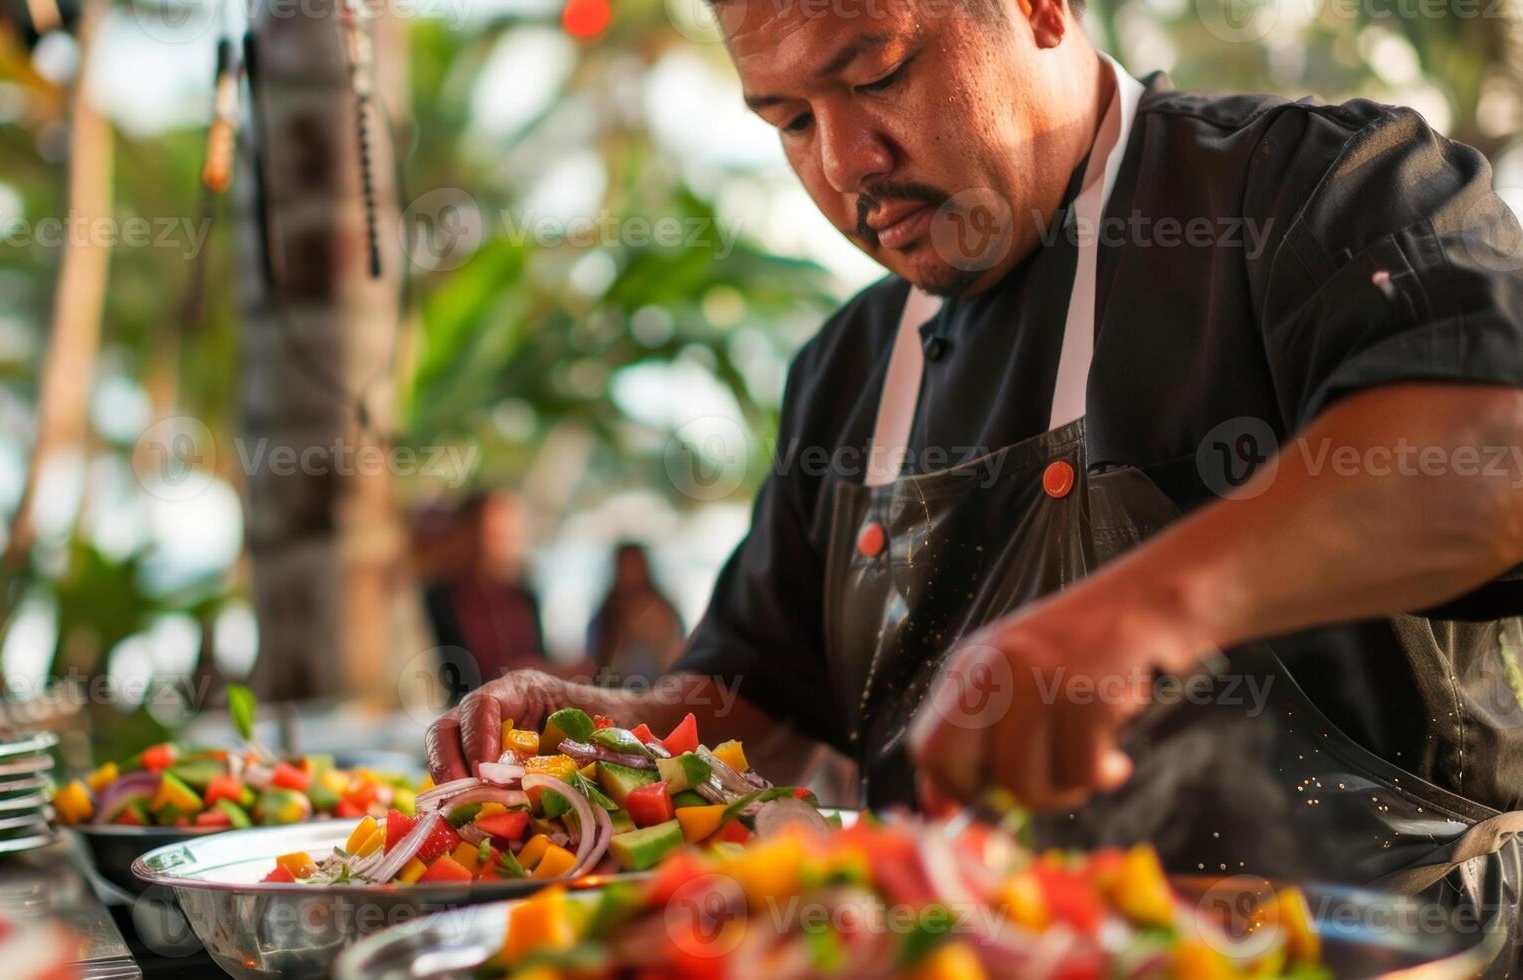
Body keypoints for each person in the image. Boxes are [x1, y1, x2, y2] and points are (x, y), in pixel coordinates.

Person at [429, 0, 1523, 959]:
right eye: (791, 122)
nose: (846, 159)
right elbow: (755, 694)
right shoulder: (849, 368)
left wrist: (1139, 612)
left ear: (1041, 7)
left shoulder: (1309, 190)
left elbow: (1493, 455)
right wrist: (610, 737)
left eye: (876, 74)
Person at [422, 491, 548, 692]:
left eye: (510, 536)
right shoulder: (438, 600)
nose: (501, 547)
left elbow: (542, 659)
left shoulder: (524, 597)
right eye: (492, 536)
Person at [587, 542, 686, 686]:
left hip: (658, 695)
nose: (631, 573)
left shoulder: (665, 612)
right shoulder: (604, 617)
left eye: (634, 565)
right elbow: (596, 670)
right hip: (616, 695)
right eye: (625, 566)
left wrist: (658, 639)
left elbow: (677, 667)